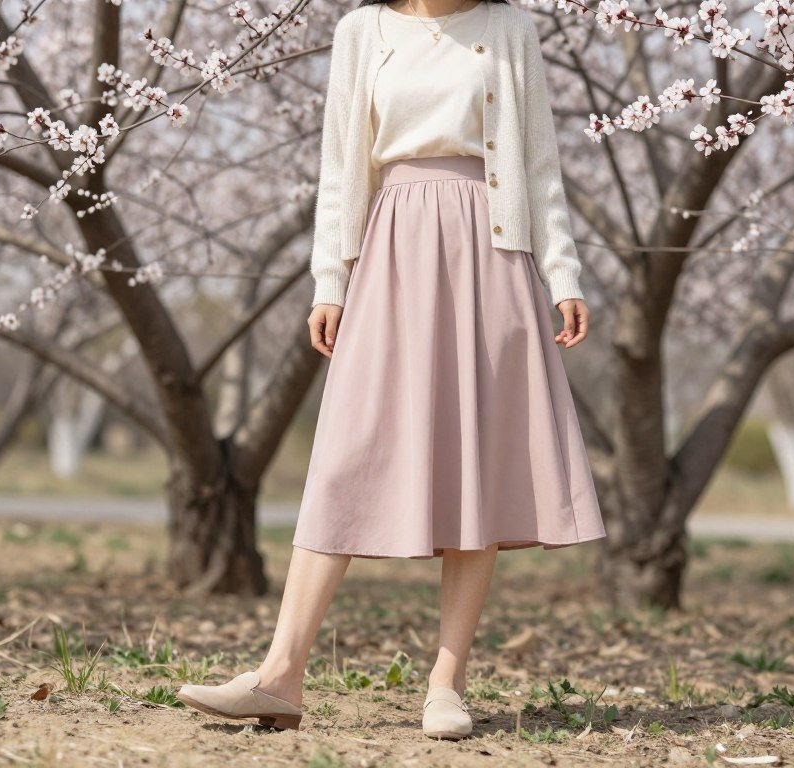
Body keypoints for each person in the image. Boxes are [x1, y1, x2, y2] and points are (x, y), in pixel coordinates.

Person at [176, 0, 605, 740]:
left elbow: (539, 167)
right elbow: (342, 166)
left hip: (491, 252)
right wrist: (330, 281)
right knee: (346, 452)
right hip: (392, 247)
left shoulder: (510, 30)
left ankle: (446, 683)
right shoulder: (360, 31)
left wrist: (562, 271)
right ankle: (280, 675)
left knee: (475, 462)